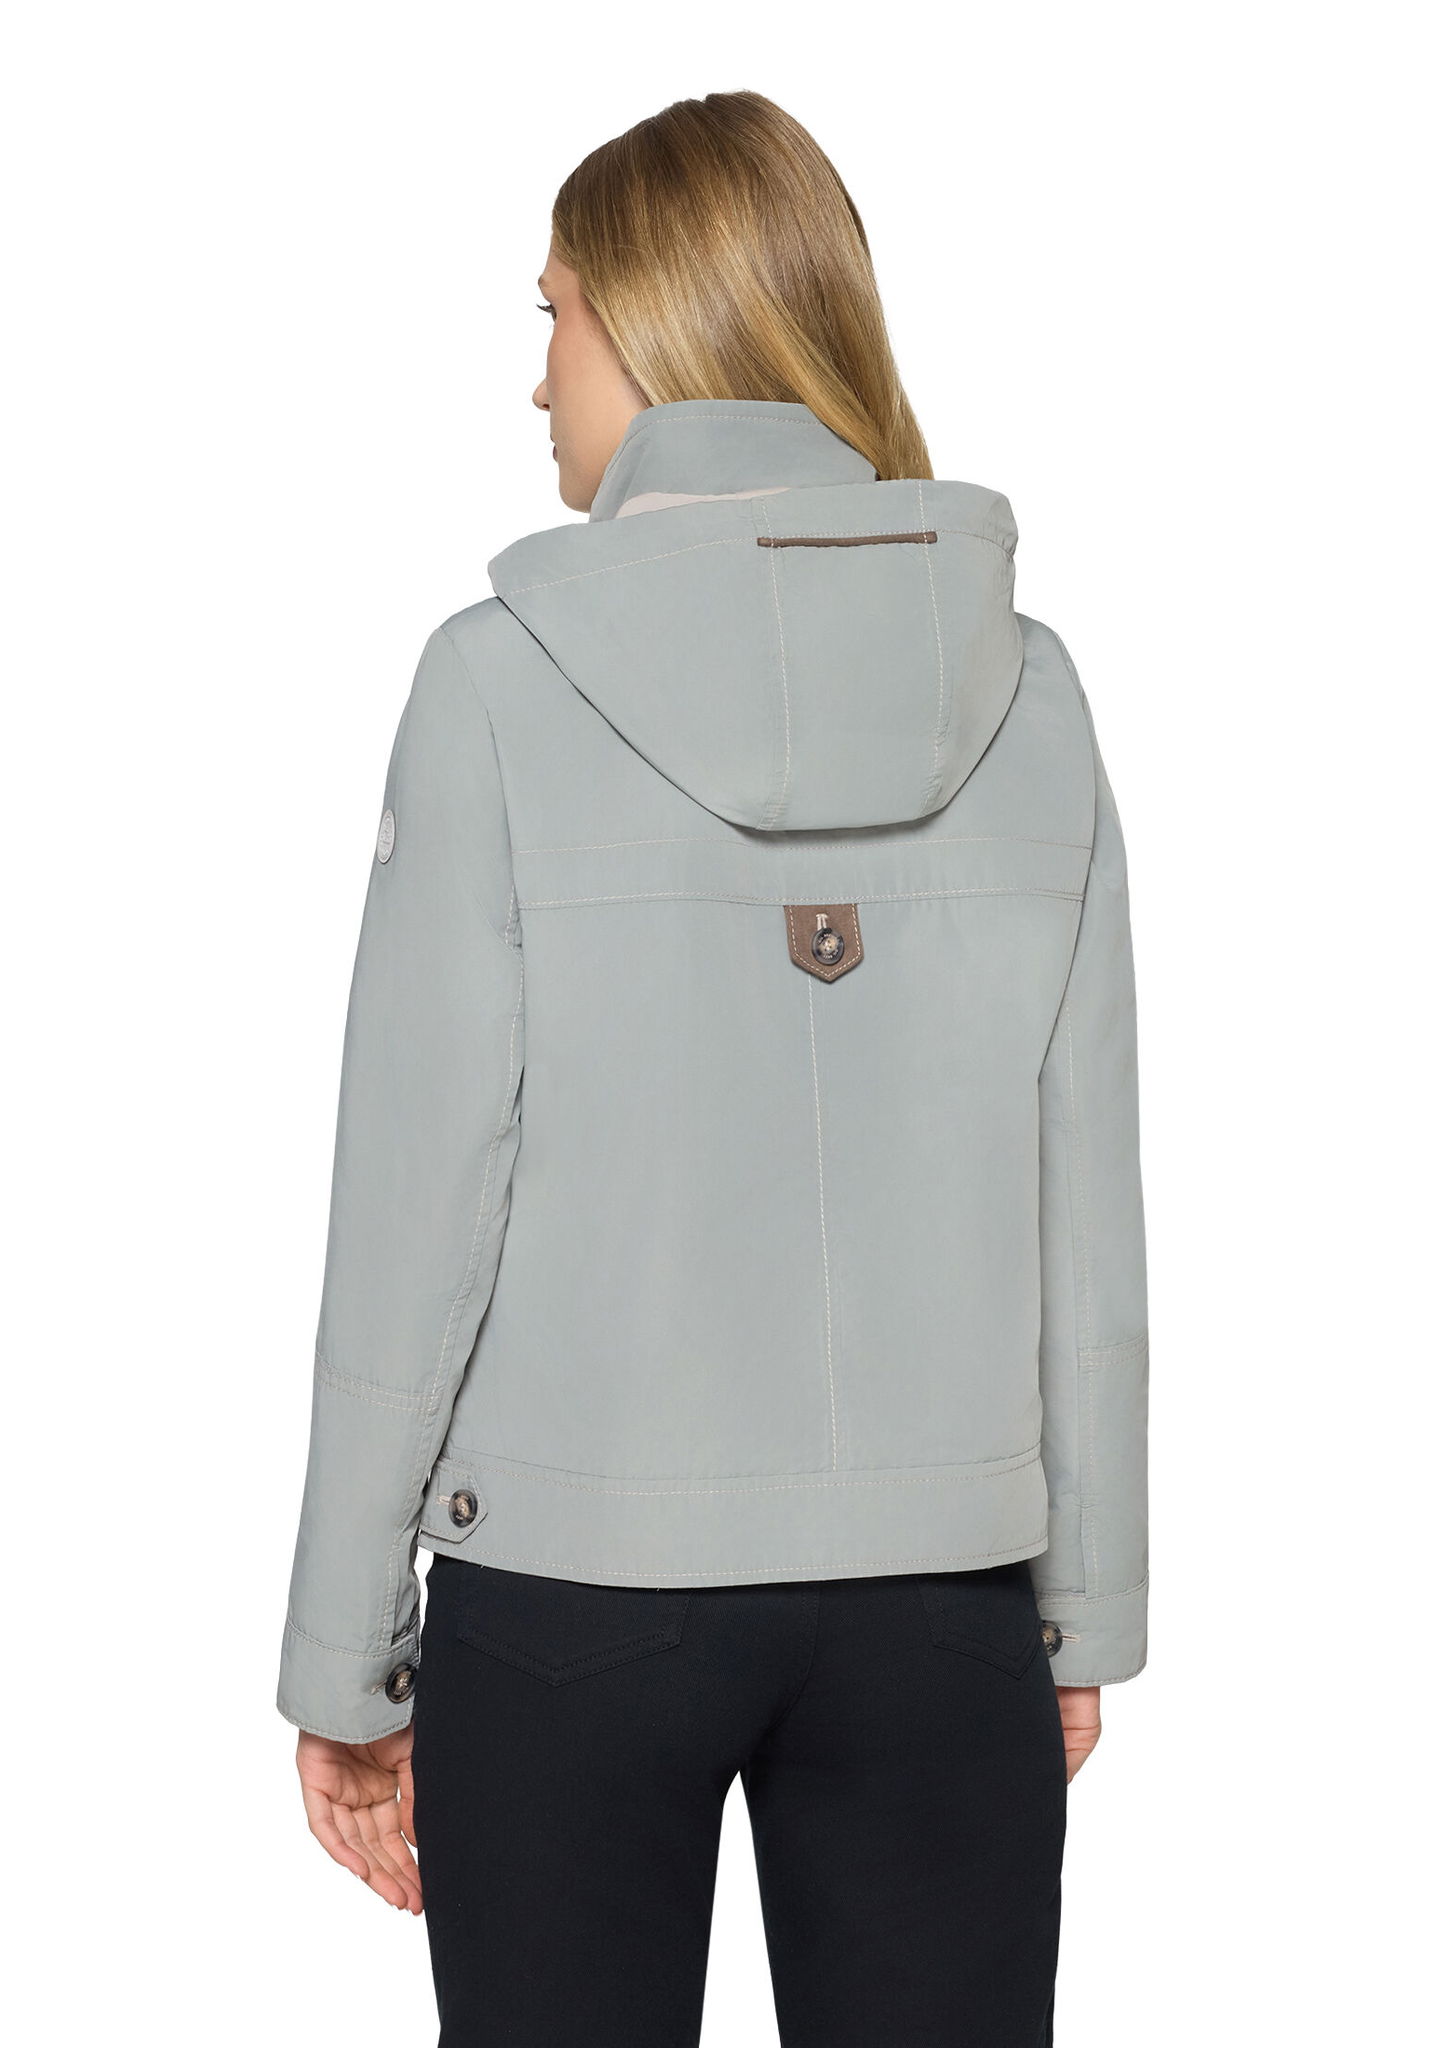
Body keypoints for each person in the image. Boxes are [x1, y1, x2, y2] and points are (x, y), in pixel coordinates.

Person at [277, 88, 1150, 2048]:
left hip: (574, 1598)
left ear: (659, 318)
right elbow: (1079, 1194)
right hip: (945, 1595)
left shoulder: (495, 684)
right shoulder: (1030, 687)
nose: (539, 382)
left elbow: (417, 1198)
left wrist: (346, 1653)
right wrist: (1083, 1606)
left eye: (556, 315)